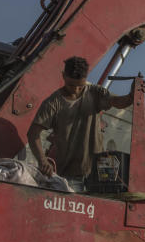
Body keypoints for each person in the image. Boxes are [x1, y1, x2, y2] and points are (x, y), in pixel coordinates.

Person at [27, 56, 134, 189]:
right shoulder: (53, 103)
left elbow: (118, 102)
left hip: (100, 174)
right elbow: (33, 133)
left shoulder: (95, 92)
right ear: (63, 76)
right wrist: (42, 160)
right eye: (71, 85)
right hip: (69, 176)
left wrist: (132, 95)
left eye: (80, 86)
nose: (76, 90)